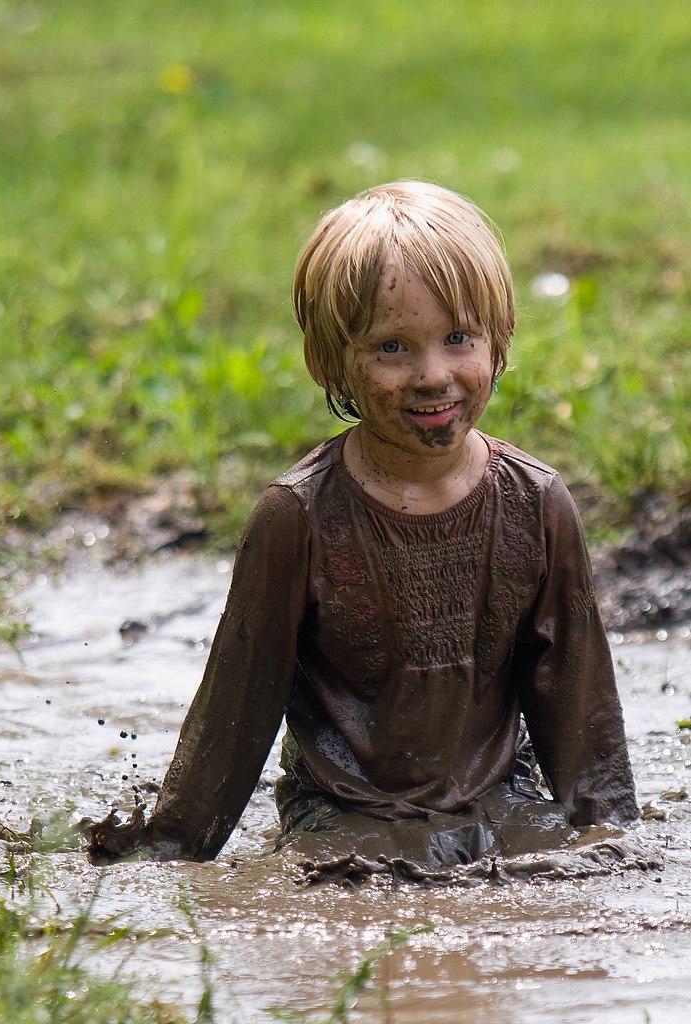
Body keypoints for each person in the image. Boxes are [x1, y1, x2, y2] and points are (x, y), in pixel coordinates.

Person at [87, 180, 638, 869]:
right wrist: (170, 851)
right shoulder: (296, 519)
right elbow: (239, 702)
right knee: (347, 892)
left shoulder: (535, 504)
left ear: (499, 344)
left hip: (501, 800)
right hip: (342, 815)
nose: (432, 375)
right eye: (391, 348)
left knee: (542, 882)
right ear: (330, 362)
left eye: (457, 338)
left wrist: (609, 843)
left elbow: (577, 697)